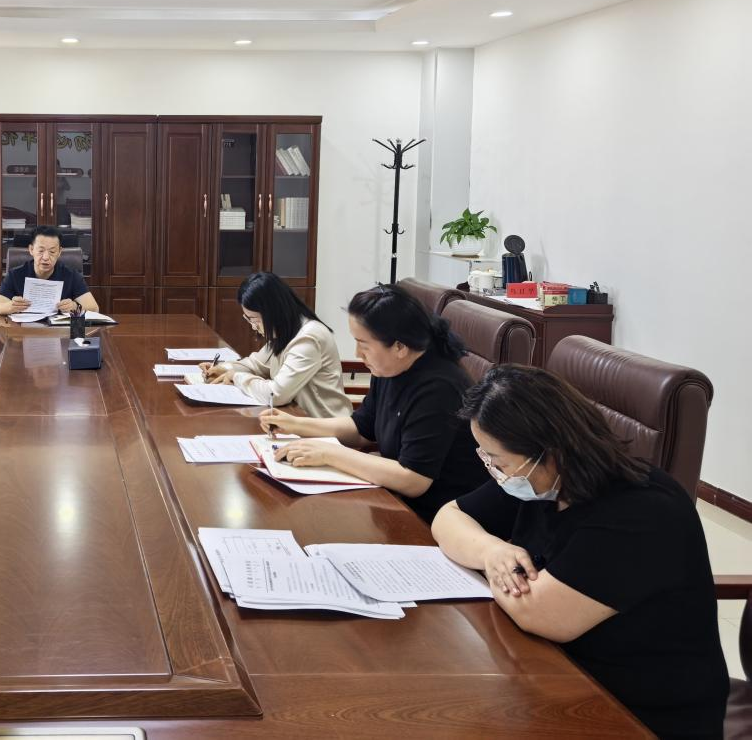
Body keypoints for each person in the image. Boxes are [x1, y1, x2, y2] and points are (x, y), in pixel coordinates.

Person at [432, 366, 728, 738]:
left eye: (499, 460)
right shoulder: (539, 481)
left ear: (550, 452)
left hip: (639, 712)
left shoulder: (642, 512)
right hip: (556, 675)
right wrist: (491, 551)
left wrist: (493, 570)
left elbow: (541, 614)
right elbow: (448, 517)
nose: (495, 471)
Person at [258, 283, 486, 521]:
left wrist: (328, 453)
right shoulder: (390, 367)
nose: (357, 354)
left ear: (399, 346)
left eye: (363, 344)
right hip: (393, 499)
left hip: (436, 518)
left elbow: (413, 479)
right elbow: (362, 429)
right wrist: (295, 425)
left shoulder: (439, 388)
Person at [199, 272, 351, 418]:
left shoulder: (308, 338)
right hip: (297, 419)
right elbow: (256, 364)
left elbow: (276, 394)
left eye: (254, 319)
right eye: (248, 319)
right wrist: (223, 368)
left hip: (324, 426)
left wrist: (236, 377)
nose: (253, 326)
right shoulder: (285, 331)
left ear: (273, 312)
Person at [0, 225, 99, 315]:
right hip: (23, 330)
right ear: (31, 249)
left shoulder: (72, 276)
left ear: (59, 252)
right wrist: (11, 306)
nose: (46, 257)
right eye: (41, 251)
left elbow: (94, 309)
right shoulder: (15, 275)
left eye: (52, 252)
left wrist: (75, 306)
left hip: (59, 331)